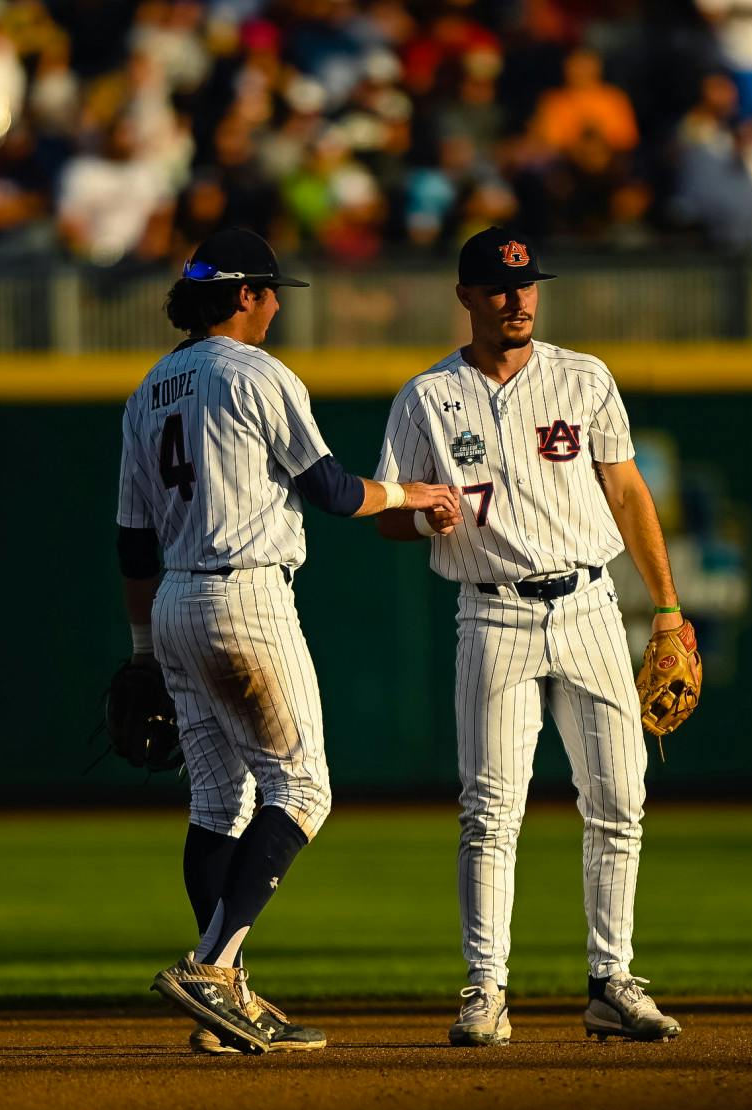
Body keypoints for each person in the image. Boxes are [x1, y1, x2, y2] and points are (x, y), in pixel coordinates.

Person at [118, 227, 459, 1055]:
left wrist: (142, 648)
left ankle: (225, 995)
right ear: (244, 294)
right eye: (271, 293)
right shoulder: (256, 373)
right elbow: (333, 492)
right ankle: (212, 968)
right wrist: (413, 493)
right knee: (302, 788)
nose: (275, 308)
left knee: (217, 803)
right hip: (246, 597)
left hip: (173, 601)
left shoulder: (148, 389)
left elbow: (131, 540)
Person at [373, 227, 692, 1047]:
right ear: (466, 296)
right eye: (499, 286)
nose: (518, 298)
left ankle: (611, 981)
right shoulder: (426, 396)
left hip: (589, 606)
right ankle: (485, 988)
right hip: (492, 614)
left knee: (619, 800)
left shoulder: (583, 377)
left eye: (527, 284)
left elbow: (627, 492)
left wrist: (666, 608)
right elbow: (391, 518)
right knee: (489, 810)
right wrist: (423, 515)